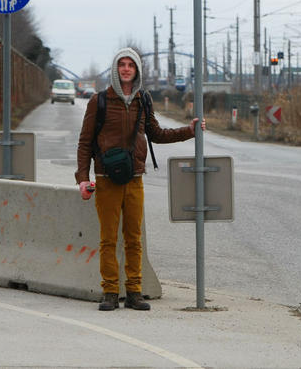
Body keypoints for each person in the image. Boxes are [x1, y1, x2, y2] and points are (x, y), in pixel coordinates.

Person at [76, 48, 205, 311]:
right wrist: (82, 178)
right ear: (115, 69)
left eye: (130, 65)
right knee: (108, 238)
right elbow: (85, 142)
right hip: (105, 178)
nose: (126, 69)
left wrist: (189, 131)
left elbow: (156, 134)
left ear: (136, 71)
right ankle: (110, 292)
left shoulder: (143, 100)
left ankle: (134, 292)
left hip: (134, 178)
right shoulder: (99, 101)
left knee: (134, 238)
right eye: (121, 64)